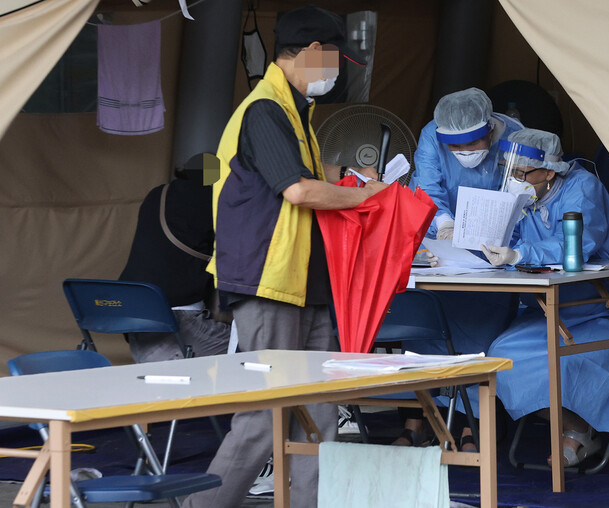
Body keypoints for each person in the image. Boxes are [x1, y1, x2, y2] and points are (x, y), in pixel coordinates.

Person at [183, 7, 386, 508]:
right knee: (265, 415)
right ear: (315, 53)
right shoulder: (266, 109)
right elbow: (296, 190)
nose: (337, 73)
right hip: (268, 283)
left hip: (307, 285)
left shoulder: (297, 113)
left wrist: (346, 177)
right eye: (336, 60)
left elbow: (310, 176)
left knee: (319, 411)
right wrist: (367, 197)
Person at [480, 128, 609, 466]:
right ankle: (578, 428)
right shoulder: (527, 195)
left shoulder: (583, 188)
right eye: (509, 171)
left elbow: (577, 247)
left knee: (567, 361)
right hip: (556, 309)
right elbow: (512, 236)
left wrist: (519, 255)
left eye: (522, 173)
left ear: (550, 171)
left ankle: (581, 432)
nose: (514, 180)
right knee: (501, 357)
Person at [396, 88, 523, 450]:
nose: (464, 155)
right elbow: (427, 186)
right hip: (445, 247)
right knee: (425, 329)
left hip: (492, 253)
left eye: (472, 145)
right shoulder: (431, 134)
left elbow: (519, 192)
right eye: (455, 148)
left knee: (481, 340)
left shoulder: (514, 137)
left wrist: (500, 241)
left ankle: (472, 424)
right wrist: (446, 225)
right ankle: (416, 421)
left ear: (490, 131)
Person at [118, 159, 230, 363]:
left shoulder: (156, 194)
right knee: (252, 351)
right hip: (177, 317)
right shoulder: (211, 199)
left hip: (132, 311)